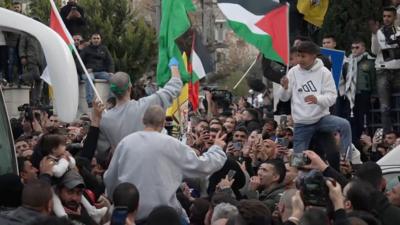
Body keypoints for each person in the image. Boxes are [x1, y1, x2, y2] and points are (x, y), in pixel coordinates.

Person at [104, 105, 227, 223]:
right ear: (163, 123)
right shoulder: (172, 145)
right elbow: (203, 166)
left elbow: (110, 179)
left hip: (129, 215)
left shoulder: (125, 143)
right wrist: (217, 149)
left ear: (143, 120)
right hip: (163, 217)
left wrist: (119, 201)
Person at [97, 58, 183, 161]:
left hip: (123, 171)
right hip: (150, 165)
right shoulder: (145, 106)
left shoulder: (105, 119)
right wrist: (174, 67)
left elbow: (102, 154)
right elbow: (175, 86)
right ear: (130, 88)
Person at [278, 41, 352, 157]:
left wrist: (317, 99)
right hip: (301, 123)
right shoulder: (292, 72)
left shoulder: (324, 73)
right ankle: (300, 175)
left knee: (344, 125)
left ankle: (346, 158)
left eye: (303, 56)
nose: (300, 59)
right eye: (298, 56)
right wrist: (284, 88)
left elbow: (332, 97)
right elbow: (284, 98)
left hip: (322, 119)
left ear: (313, 56)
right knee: (298, 159)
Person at [337, 38, 376, 144]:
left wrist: (374, 94)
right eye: (352, 47)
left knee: (363, 118)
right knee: (350, 118)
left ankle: (364, 140)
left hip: (364, 93)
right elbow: (343, 78)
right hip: (350, 94)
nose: (354, 50)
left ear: (363, 48)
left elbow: (373, 78)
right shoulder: (347, 62)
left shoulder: (370, 61)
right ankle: (353, 140)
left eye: (357, 47)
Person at [371, 6, 400, 134]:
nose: (386, 19)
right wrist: (374, 35)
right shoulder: (378, 32)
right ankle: (388, 136)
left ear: (395, 17)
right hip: (382, 71)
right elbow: (374, 51)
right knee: (385, 107)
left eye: (389, 16)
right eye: (384, 16)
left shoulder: (399, 31)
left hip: (398, 70)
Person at [80, 33, 114, 108]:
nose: (96, 40)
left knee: (114, 78)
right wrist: (84, 70)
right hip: (89, 72)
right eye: (94, 38)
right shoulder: (86, 49)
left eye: (97, 38)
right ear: (91, 40)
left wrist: (111, 72)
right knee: (90, 78)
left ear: (100, 40)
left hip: (101, 72)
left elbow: (110, 61)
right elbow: (79, 61)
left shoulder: (104, 49)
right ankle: (90, 101)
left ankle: (111, 99)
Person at [18, 33, 46, 105]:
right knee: (36, 76)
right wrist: (22, 56)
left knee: (39, 80)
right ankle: (21, 77)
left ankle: (36, 100)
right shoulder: (25, 33)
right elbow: (21, 46)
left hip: (40, 60)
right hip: (31, 58)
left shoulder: (39, 34)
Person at [4, 1, 23, 87]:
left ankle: (21, 80)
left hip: (22, 44)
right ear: (12, 8)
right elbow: (5, 30)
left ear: (20, 8)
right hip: (12, 43)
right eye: (15, 7)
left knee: (21, 63)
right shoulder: (9, 17)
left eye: (17, 7)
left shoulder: (24, 17)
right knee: (11, 63)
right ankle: (10, 81)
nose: (16, 9)